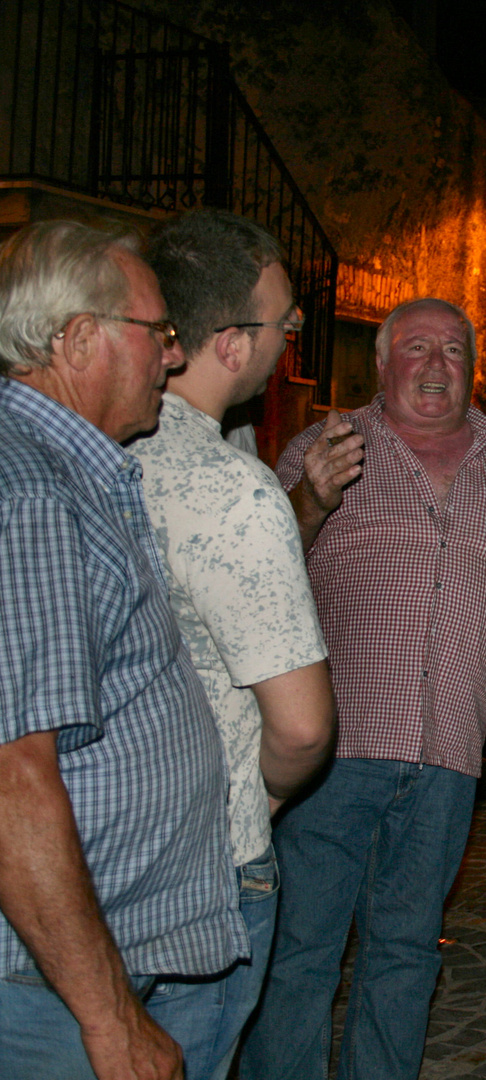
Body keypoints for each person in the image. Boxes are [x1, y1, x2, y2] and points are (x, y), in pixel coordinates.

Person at [238, 297, 486, 1080]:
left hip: (448, 753)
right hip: (335, 749)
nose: (437, 366)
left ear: (473, 369)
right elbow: (255, 573)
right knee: (302, 953)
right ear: (380, 363)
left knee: (405, 955)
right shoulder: (326, 445)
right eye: (417, 349)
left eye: (453, 352)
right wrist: (309, 501)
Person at [0, 221, 245, 1077]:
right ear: (77, 341)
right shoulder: (29, 491)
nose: (173, 360)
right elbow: (12, 779)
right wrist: (109, 1021)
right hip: (51, 993)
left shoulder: (69, 468)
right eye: (157, 334)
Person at [130, 209, 336, 1080]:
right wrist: (257, 810)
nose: (292, 340)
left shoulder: (93, 454)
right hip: (205, 869)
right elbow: (300, 729)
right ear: (228, 341)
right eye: (285, 324)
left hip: (99, 850)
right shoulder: (231, 489)